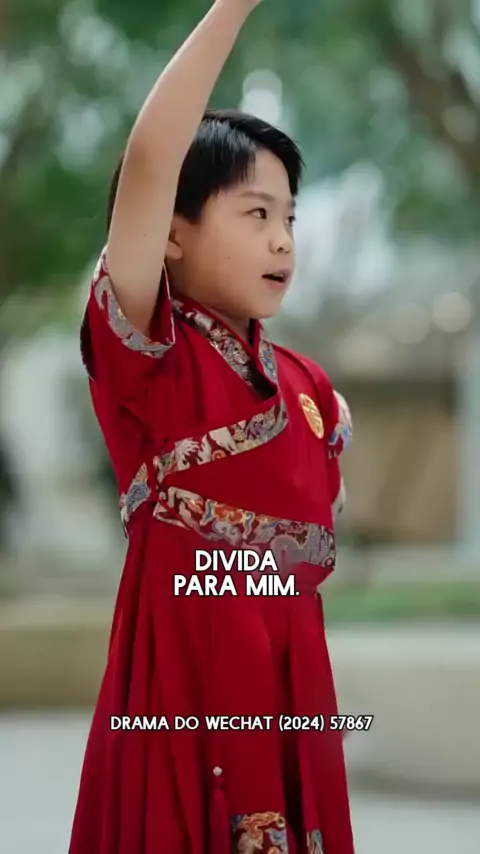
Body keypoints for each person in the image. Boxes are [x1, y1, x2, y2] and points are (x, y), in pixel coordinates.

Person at [69, 0, 355, 852]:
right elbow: (150, 160)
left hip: (292, 692)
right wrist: (233, 8)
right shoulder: (152, 359)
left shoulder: (309, 388)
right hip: (184, 690)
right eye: (255, 214)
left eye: (289, 217)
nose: (283, 241)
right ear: (171, 234)